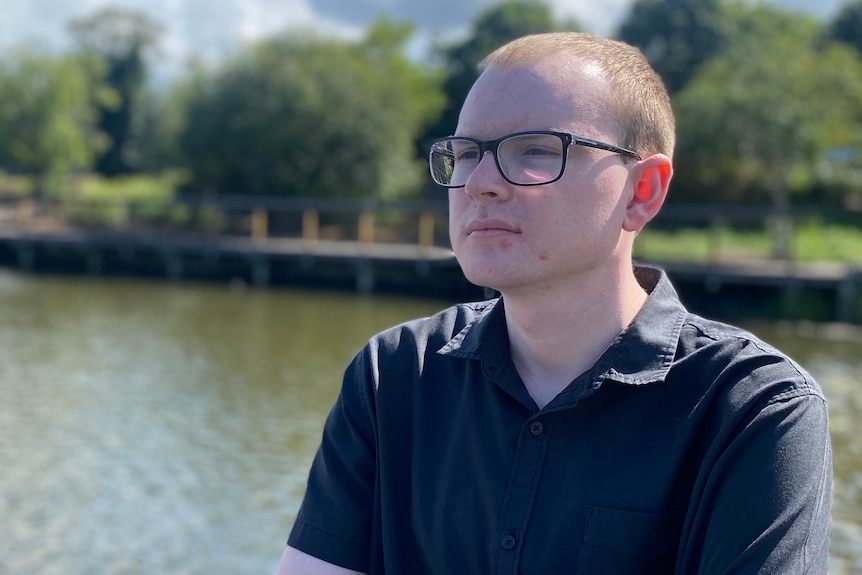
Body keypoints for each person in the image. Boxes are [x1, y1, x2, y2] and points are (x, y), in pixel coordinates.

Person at [276, 32, 832, 574]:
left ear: (643, 192)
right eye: (466, 154)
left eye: (537, 151)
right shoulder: (392, 374)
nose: (478, 184)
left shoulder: (756, 411)